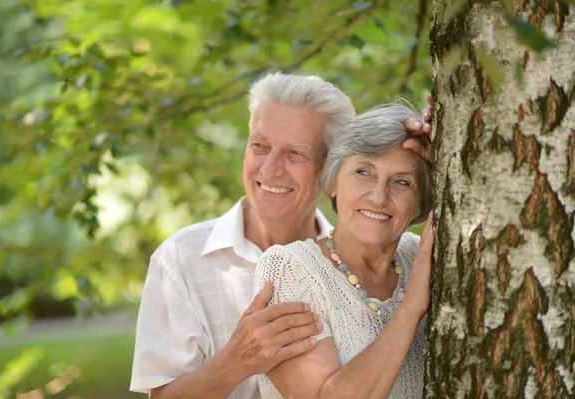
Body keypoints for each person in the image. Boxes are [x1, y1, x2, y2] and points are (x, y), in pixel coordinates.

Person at [130, 73, 432, 399]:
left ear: (328, 168)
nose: (270, 169)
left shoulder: (411, 256)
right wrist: (236, 360)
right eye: (259, 146)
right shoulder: (181, 257)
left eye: (295, 153)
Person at [253, 103, 434, 399]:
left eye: (402, 182)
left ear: (421, 202)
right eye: (363, 172)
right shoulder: (289, 269)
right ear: (333, 181)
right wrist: (411, 306)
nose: (378, 197)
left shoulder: (421, 255)